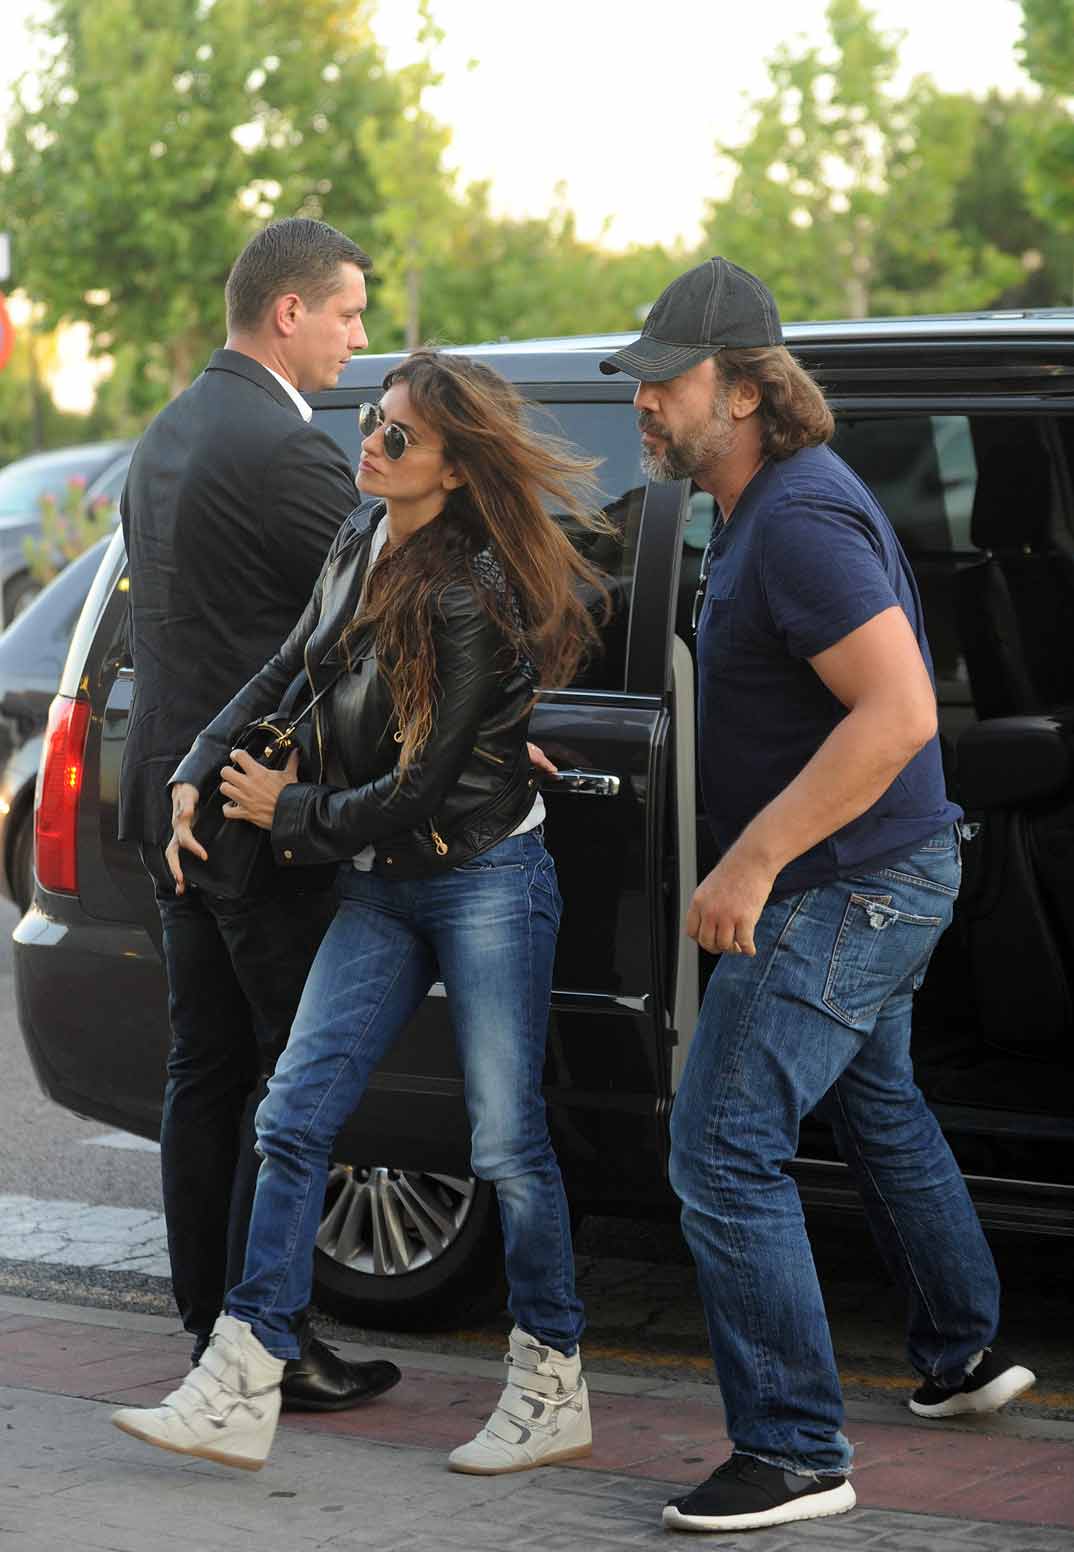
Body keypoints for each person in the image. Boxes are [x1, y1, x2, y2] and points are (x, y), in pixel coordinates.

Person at [111, 347, 610, 1474]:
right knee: (292, 1114)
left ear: (456, 468)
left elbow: (421, 788)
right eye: (374, 422)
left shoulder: (465, 593)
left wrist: (285, 812)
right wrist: (199, 761)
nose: (370, 444)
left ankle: (551, 1381)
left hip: (483, 877)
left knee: (506, 1141)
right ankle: (243, 1375)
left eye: (398, 437)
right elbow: (292, 664)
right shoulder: (360, 534)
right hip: (384, 882)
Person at [600, 258, 1036, 1534]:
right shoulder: (763, 507)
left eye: (665, 381)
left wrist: (749, 860)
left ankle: (794, 1450)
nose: (643, 401)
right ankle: (964, 1351)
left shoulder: (795, 520)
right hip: (885, 874)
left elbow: (897, 713)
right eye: (639, 381)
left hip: (851, 886)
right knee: (878, 1102)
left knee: (719, 1144)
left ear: (743, 391)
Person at [119, 217, 400, 1410]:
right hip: (251, 812)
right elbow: (374, 621)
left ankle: (212, 1333)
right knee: (289, 1089)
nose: (360, 338)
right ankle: (262, 1344)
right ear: (289, 312)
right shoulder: (286, 452)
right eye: (348, 312)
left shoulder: (168, 431)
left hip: (168, 800)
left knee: (206, 1072)